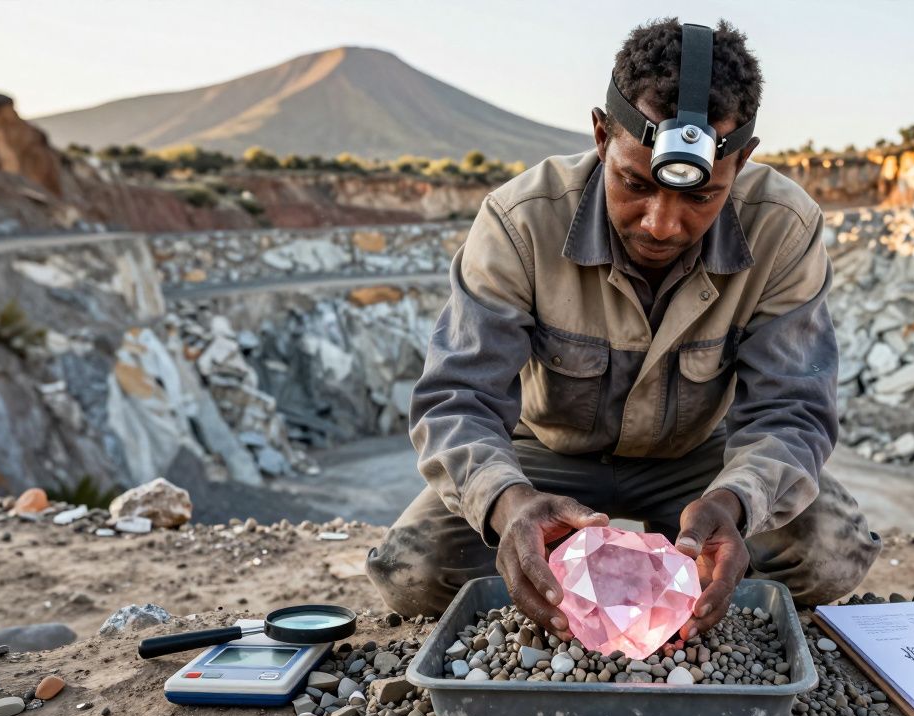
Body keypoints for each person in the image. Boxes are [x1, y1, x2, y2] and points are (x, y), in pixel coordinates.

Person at [367, 17, 880, 642]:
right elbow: (457, 398)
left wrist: (735, 504)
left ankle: (676, 559)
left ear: (742, 161)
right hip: (547, 463)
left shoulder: (785, 228)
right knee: (414, 573)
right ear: (602, 135)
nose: (662, 224)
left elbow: (792, 409)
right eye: (634, 184)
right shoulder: (519, 222)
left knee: (831, 554)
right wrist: (509, 505)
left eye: (701, 197)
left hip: (699, 467)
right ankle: (586, 572)